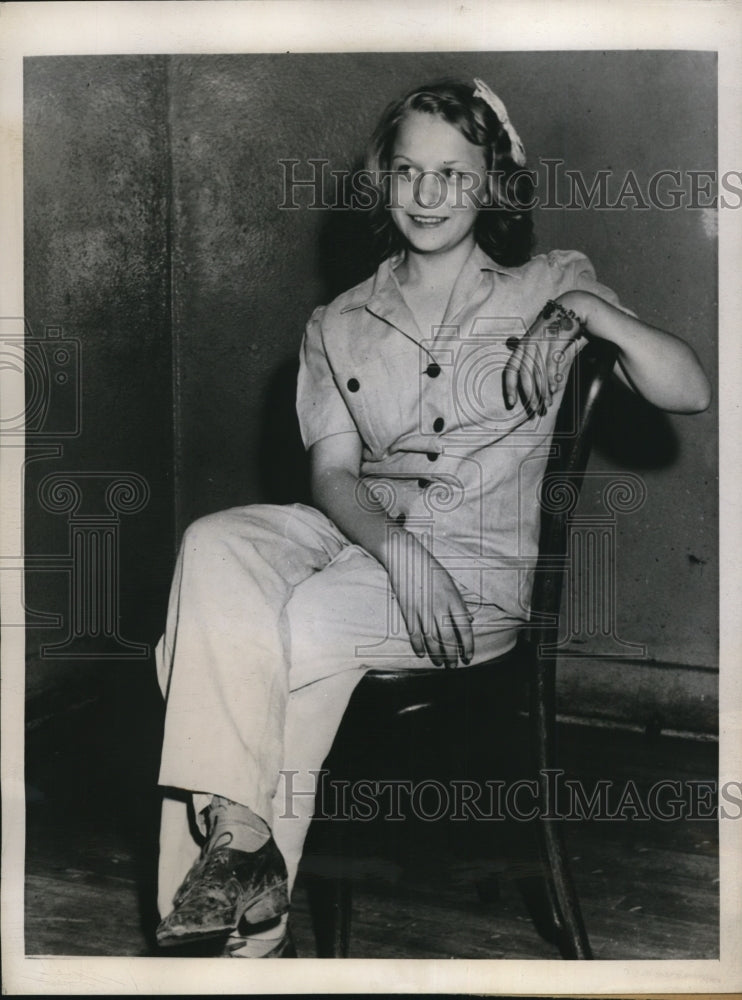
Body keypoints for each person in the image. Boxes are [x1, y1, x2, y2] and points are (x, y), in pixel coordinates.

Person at [153, 78, 711, 958]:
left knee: (269, 632)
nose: (427, 194)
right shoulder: (336, 323)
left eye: (452, 175)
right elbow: (334, 477)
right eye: (408, 172)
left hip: (472, 581)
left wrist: (590, 314)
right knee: (212, 546)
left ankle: (227, 940)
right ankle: (242, 850)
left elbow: (691, 388)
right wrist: (396, 550)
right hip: (362, 535)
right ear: (383, 180)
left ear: (492, 183)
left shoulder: (548, 285)